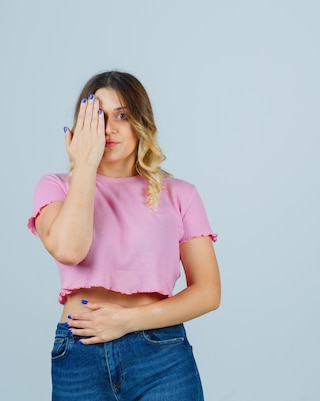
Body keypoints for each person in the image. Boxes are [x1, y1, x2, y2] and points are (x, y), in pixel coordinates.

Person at [28, 70, 220, 400]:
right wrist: (86, 164)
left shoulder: (180, 194)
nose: (109, 129)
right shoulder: (57, 187)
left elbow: (208, 292)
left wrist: (127, 321)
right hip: (80, 356)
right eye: (97, 116)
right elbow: (70, 250)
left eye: (122, 115)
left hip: (161, 355)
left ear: (140, 121)